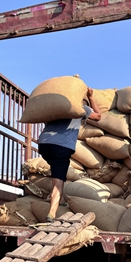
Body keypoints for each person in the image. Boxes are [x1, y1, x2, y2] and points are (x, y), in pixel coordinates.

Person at [37, 87, 101, 222]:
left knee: (56, 171)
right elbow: (98, 116)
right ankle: (51, 214)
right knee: (58, 182)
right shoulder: (81, 108)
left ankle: (58, 199)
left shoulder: (55, 107)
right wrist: (90, 97)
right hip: (62, 146)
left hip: (44, 144)